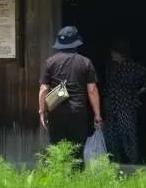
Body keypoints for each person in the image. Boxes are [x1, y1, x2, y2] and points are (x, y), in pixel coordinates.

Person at [38, 25, 101, 164]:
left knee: (57, 150)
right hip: (78, 113)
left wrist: (42, 111)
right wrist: (97, 115)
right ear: (76, 43)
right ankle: (76, 180)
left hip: (56, 112)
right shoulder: (85, 62)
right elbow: (92, 90)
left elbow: (43, 89)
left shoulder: (50, 62)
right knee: (77, 152)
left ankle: (59, 179)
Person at [102, 39, 146, 165]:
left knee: (127, 135)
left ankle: (133, 163)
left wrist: (139, 91)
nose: (112, 54)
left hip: (126, 106)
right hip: (111, 107)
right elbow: (107, 85)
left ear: (121, 53)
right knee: (111, 136)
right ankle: (115, 162)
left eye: (114, 52)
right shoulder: (110, 66)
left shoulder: (133, 67)